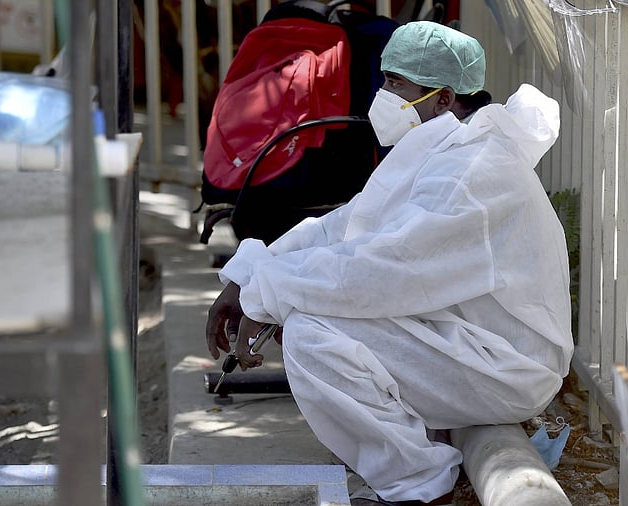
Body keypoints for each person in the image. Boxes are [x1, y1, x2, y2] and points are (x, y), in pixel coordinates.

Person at [205, 20, 573, 506]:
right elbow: (344, 227)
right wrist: (247, 275)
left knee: (313, 333)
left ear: (443, 99)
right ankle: (419, 460)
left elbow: (378, 271)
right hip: (464, 342)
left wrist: (265, 295)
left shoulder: (474, 174)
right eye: (385, 79)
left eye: (397, 84)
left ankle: (417, 485)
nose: (383, 95)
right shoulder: (441, 152)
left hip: (504, 366)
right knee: (311, 312)